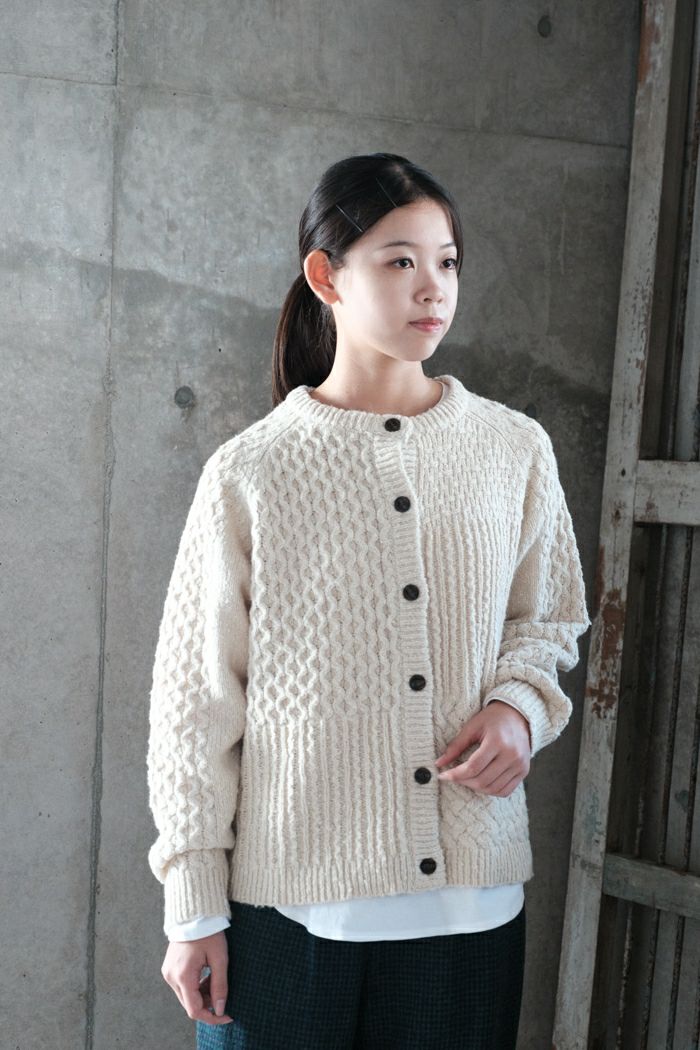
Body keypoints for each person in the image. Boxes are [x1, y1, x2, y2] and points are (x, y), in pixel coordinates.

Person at [146, 151, 591, 1049]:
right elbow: (195, 702)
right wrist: (192, 905)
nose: (433, 287)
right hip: (290, 917)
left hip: (469, 912)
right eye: (400, 260)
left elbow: (548, 618)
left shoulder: (514, 450)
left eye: (447, 261)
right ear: (326, 276)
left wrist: (517, 708)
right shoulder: (252, 472)